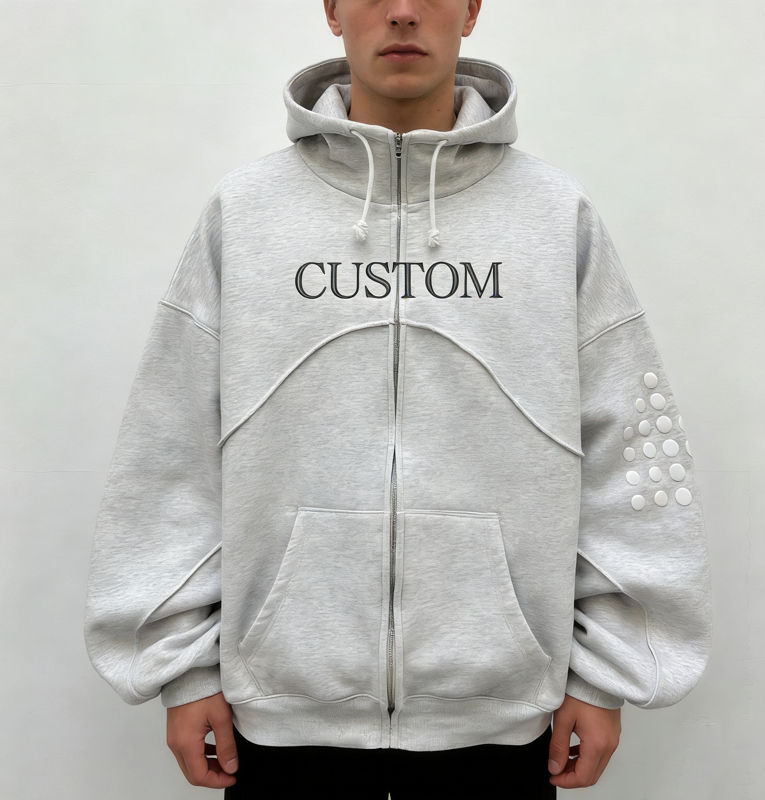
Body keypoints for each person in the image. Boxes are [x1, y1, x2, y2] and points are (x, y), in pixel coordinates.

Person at [84, 1, 712, 797]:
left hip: (502, 727)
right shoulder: (245, 214)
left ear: (473, 10)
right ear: (333, 10)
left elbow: (631, 453)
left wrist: (605, 672)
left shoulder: (556, 218)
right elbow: (166, 449)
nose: (405, 11)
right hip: (275, 726)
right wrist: (182, 669)